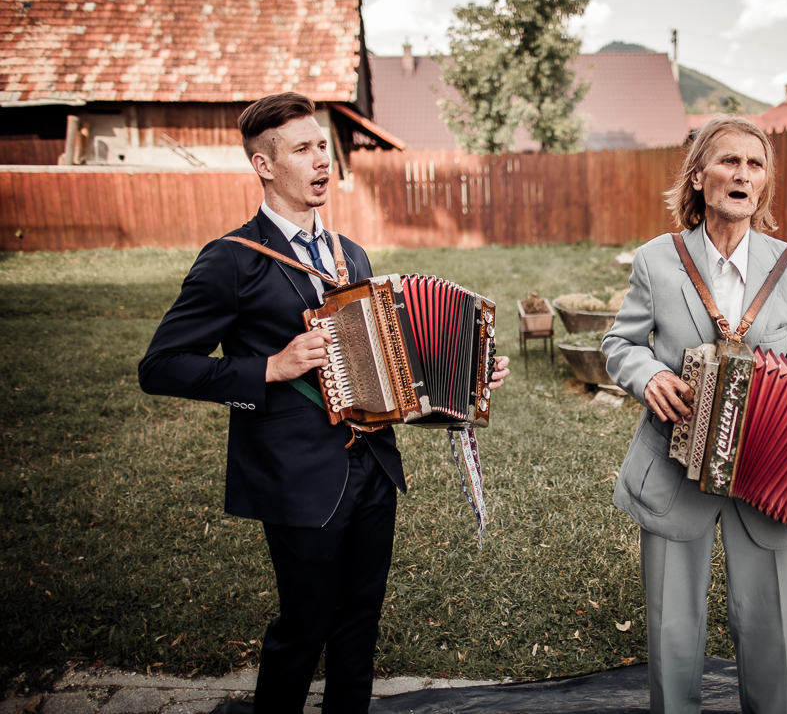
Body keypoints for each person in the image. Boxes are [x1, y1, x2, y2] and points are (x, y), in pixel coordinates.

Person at [138, 92, 510, 713]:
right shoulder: (230, 261)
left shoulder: (350, 255)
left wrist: (463, 385)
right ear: (263, 165)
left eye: (323, 148)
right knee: (304, 628)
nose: (322, 162)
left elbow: (384, 376)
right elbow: (160, 367)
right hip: (295, 475)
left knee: (359, 623)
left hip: (374, 469)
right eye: (303, 150)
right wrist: (269, 368)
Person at [602, 114, 787, 714]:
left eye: (756, 164)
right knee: (672, 636)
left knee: (773, 639)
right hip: (672, 473)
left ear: (764, 184)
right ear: (697, 177)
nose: (743, 174)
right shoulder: (656, 260)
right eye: (728, 161)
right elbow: (619, 345)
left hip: (772, 480)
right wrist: (650, 375)